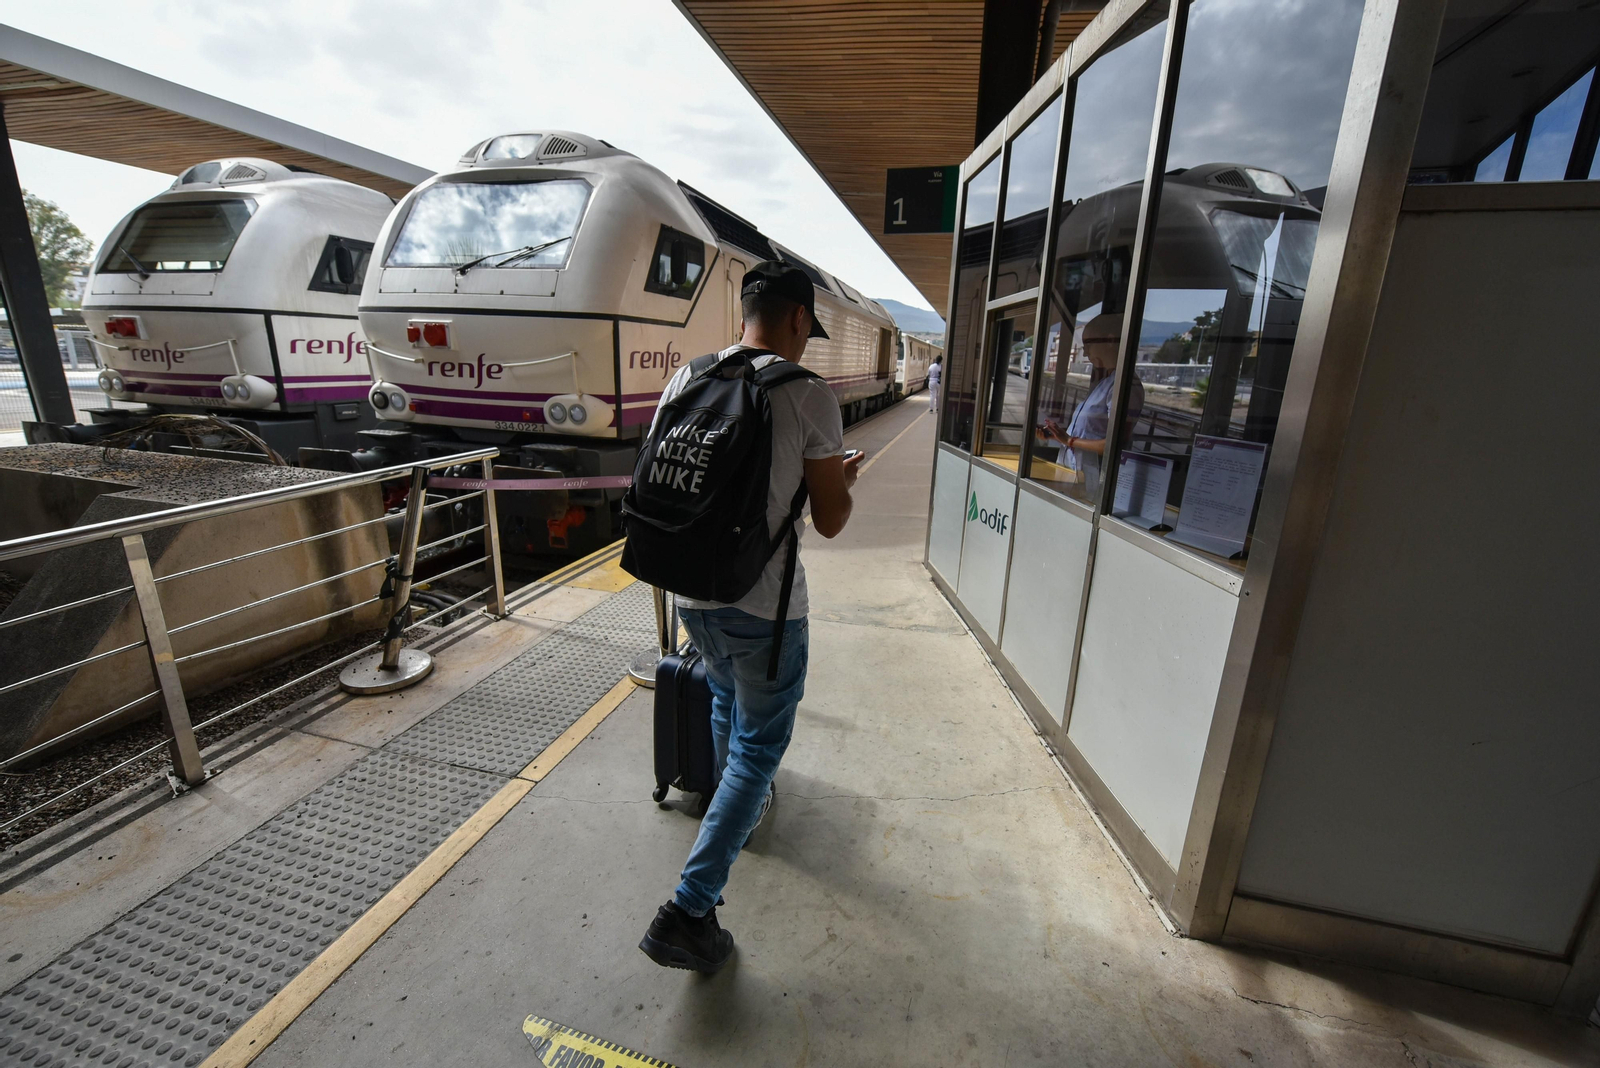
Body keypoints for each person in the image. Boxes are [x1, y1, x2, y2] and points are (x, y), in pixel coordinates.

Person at [638, 261, 863, 975]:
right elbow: (829, 521)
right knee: (759, 749)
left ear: (746, 310)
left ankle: (727, 809)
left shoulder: (688, 376)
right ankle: (689, 909)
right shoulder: (807, 395)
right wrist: (841, 480)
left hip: (690, 596)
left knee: (726, 705)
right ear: (798, 318)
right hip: (763, 609)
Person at [1038, 313, 1143, 499]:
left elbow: (1115, 442)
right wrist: (1058, 436)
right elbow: (1091, 432)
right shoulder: (1107, 383)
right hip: (1075, 477)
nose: (1085, 353)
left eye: (1088, 345)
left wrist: (1069, 440)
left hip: (1091, 484)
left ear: (1110, 340)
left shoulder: (1124, 385)